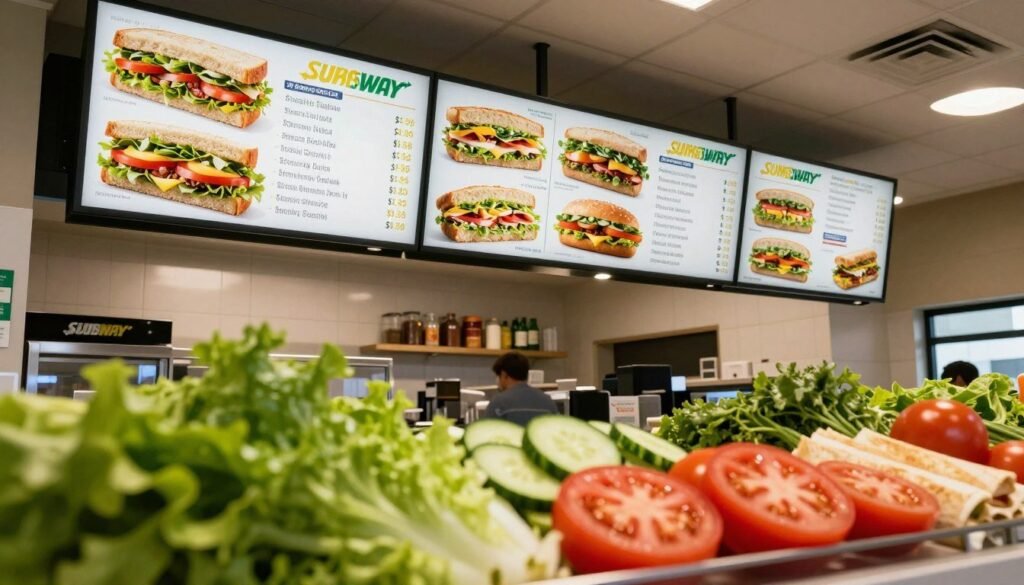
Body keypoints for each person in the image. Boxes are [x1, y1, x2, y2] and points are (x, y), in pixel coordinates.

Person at [484, 351, 558, 426]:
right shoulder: (547, 401)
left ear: (504, 375)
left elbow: (487, 430)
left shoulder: (498, 403)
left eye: (498, 376)